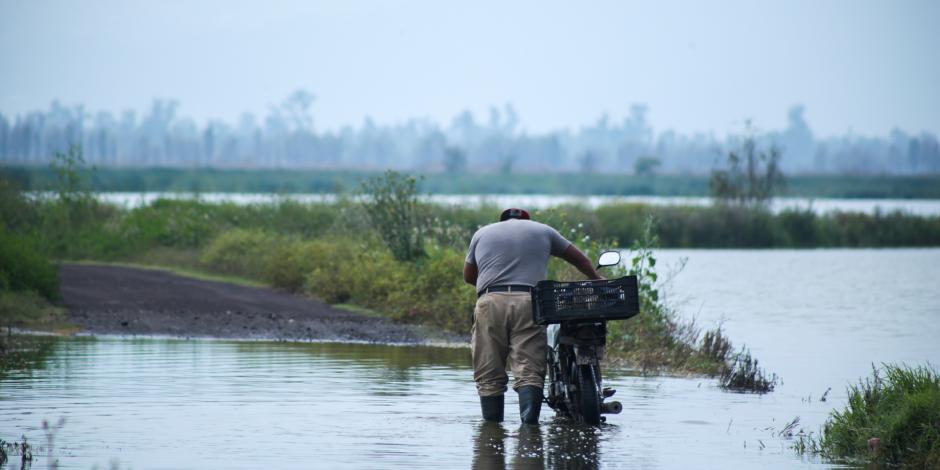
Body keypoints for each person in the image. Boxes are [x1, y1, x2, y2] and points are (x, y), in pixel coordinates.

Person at [464, 208, 603, 424]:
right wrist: (596, 278)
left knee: (489, 373)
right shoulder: (543, 230)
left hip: (490, 302)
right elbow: (579, 259)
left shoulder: (482, 233)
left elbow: (469, 276)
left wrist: (491, 289)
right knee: (529, 371)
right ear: (527, 220)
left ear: (503, 221)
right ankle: (529, 429)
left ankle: (491, 434)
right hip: (530, 302)